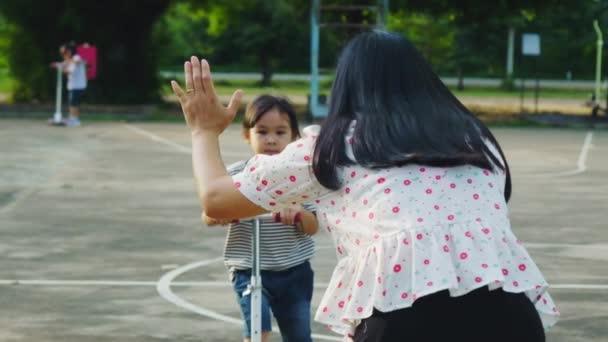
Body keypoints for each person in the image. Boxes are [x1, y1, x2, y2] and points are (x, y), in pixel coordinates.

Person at [171, 30, 559, 341]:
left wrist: (204, 131)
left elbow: (217, 200)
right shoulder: (476, 138)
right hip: (511, 316)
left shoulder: (333, 146)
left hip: (406, 315)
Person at [203, 95, 319, 342]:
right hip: (249, 269)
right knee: (257, 330)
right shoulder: (236, 175)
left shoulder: (299, 178)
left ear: (294, 137)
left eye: (280, 132)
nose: (271, 139)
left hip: (294, 271)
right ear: (248, 135)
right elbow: (210, 213)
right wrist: (223, 215)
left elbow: (313, 226)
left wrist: (298, 213)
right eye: (262, 132)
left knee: (299, 335)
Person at [51, 42, 87, 127]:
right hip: (74, 86)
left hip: (78, 86)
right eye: (62, 53)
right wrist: (60, 66)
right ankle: (75, 119)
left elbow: (75, 64)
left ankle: (73, 120)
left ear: (69, 51)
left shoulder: (76, 57)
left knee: (72, 103)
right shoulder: (69, 60)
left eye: (64, 52)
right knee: (74, 103)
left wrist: (62, 66)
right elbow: (67, 70)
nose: (63, 54)